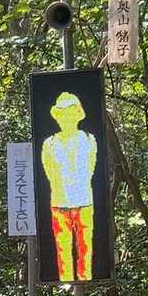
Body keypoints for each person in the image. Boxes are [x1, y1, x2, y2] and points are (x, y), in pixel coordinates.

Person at [41, 90, 96, 281]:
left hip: (84, 202)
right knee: (63, 251)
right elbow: (49, 172)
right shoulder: (49, 143)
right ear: (58, 116)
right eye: (63, 113)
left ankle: (85, 281)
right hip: (59, 203)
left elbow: (91, 169)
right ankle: (66, 285)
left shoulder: (89, 139)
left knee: (85, 248)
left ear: (78, 114)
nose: (67, 117)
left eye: (71, 112)